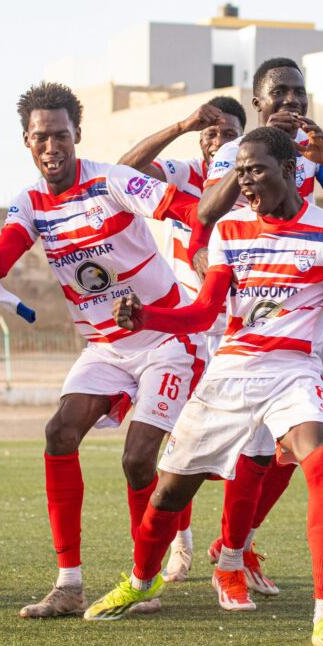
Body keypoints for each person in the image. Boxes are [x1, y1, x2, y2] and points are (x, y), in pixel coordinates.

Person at [83, 126, 323, 646]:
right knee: (168, 494)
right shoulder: (228, 229)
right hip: (230, 371)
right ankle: (141, 581)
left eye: (254, 171)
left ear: (290, 171)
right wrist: (147, 317)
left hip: (294, 372)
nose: (244, 182)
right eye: (239, 172)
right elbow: (204, 311)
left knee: (322, 459)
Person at [0, 81, 208, 619]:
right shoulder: (29, 202)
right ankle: (69, 584)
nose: (51, 147)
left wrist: (205, 254)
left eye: (60, 135)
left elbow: (187, 209)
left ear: (77, 134)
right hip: (105, 347)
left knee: (138, 460)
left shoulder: (112, 180)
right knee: (59, 433)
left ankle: (144, 580)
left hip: (165, 339)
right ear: (27, 142)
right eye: (40, 138)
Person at [195, 59, 323, 604]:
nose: (292, 101)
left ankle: (239, 544)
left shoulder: (310, 150)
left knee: (294, 451)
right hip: (245, 312)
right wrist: (246, 164)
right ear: (258, 102)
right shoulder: (236, 152)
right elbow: (206, 213)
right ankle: (223, 555)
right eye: (280, 93)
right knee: (246, 450)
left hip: (302, 316)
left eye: (299, 92)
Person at [115, 95, 247, 582]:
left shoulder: (252, 183)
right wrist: (181, 125)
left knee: (250, 449)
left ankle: (237, 547)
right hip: (183, 328)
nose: (219, 140)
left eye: (229, 133)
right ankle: (181, 539)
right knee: (176, 441)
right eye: (211, 133)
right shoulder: (185, 174)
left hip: (237, 328)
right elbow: (124, 170)